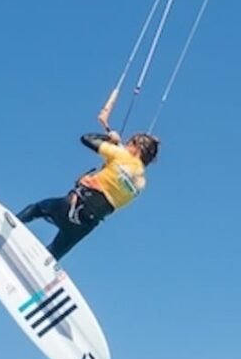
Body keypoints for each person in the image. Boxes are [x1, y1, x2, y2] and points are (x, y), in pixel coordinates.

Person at [17, 105, 159, 261]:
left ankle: (14, 222)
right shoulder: (141, 183)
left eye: (128, 143)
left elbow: (87, 138)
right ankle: (44, 272)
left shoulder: (122, 155)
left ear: (136, 148)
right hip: (85, 225)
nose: (125, 144)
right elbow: (118, 181)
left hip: (73, 205)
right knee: (53, 256)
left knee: (37, 209)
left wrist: (110, 139)